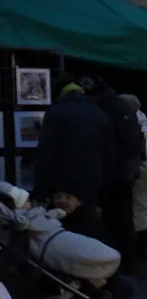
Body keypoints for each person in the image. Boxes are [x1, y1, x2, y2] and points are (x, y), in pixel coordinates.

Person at [80, 75, 144, 278]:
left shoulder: (106, 110)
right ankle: (128, 265)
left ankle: (118, 267)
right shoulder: (121, 108)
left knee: (115, 222)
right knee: (124, 221)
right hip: (125, 174)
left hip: (115, 175)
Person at [34, 80, 114, 241]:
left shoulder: (54, 112)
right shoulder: (100, 114)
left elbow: (45, 150)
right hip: (91, 179)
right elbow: (109, 155)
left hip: (61, 179)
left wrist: (40, 189)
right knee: (87, 224)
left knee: (61, 225)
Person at [119, 94, 147, 281]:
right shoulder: (139, 128)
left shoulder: (141, 131)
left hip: (142, 188)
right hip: (144, 186)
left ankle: (139, 266)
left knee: (141, 227)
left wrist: (131, 177)